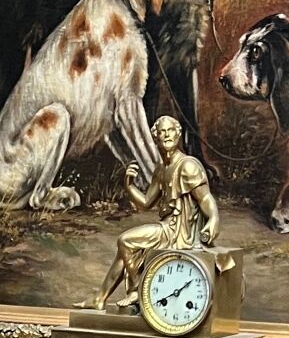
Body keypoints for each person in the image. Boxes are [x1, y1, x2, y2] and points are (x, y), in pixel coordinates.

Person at [91, 113, 225, 310]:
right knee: (125, 252)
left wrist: (213, 218)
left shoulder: (187, 165)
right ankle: (99, 299)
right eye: (162, 132)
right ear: (156, 138)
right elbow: (145, 203)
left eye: (170, 130)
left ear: (178, 135)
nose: (167, 135)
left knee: (126, 241)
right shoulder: (161, 168)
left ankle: (135, 290)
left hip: (180, 232)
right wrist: (128, 185)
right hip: (168, 227)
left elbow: (205, 197)